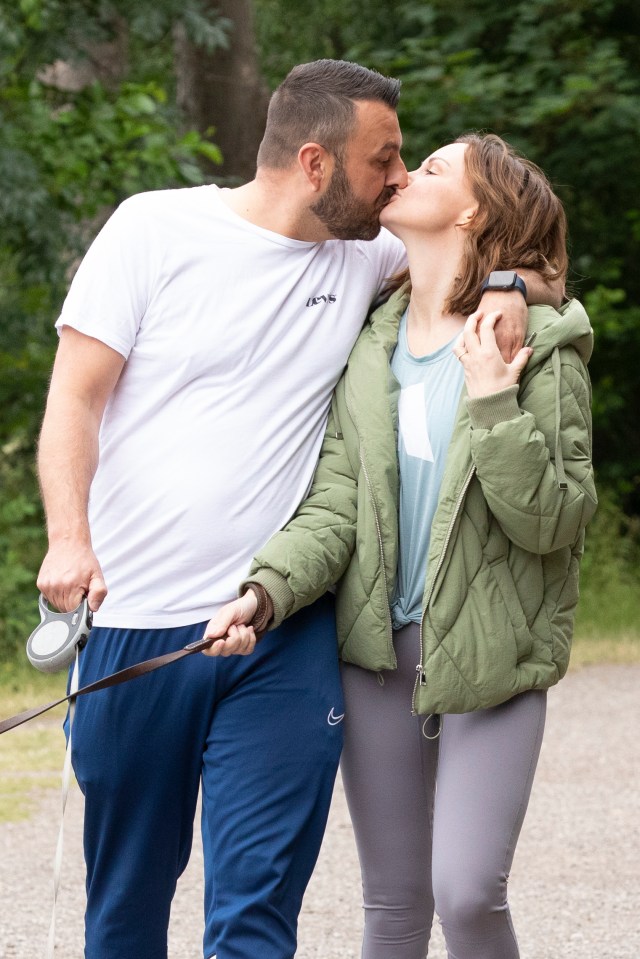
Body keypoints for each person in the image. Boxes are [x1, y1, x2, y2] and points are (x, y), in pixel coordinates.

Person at [36, 54, 556, 957]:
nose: (398, 177)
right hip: (135, 628)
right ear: (316, 164)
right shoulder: (150, 230)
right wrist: (68, 539)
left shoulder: (368, 252)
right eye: (383, 158)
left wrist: (511, 289)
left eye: (408, 164)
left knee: (255, 918)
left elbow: (508, 248)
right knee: (124, 910)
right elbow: (73, 399)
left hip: (283, 636)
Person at [205, 133, 597, 958]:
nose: (408, 173)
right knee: (392, 904)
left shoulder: (541, 343)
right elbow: (338, 503)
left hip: (492, 650)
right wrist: (265, 589)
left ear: (473, 210)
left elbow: (555, 520)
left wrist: (495, 401)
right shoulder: (371, 339)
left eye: (434, 169)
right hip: (377, 652)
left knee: (465, 890)